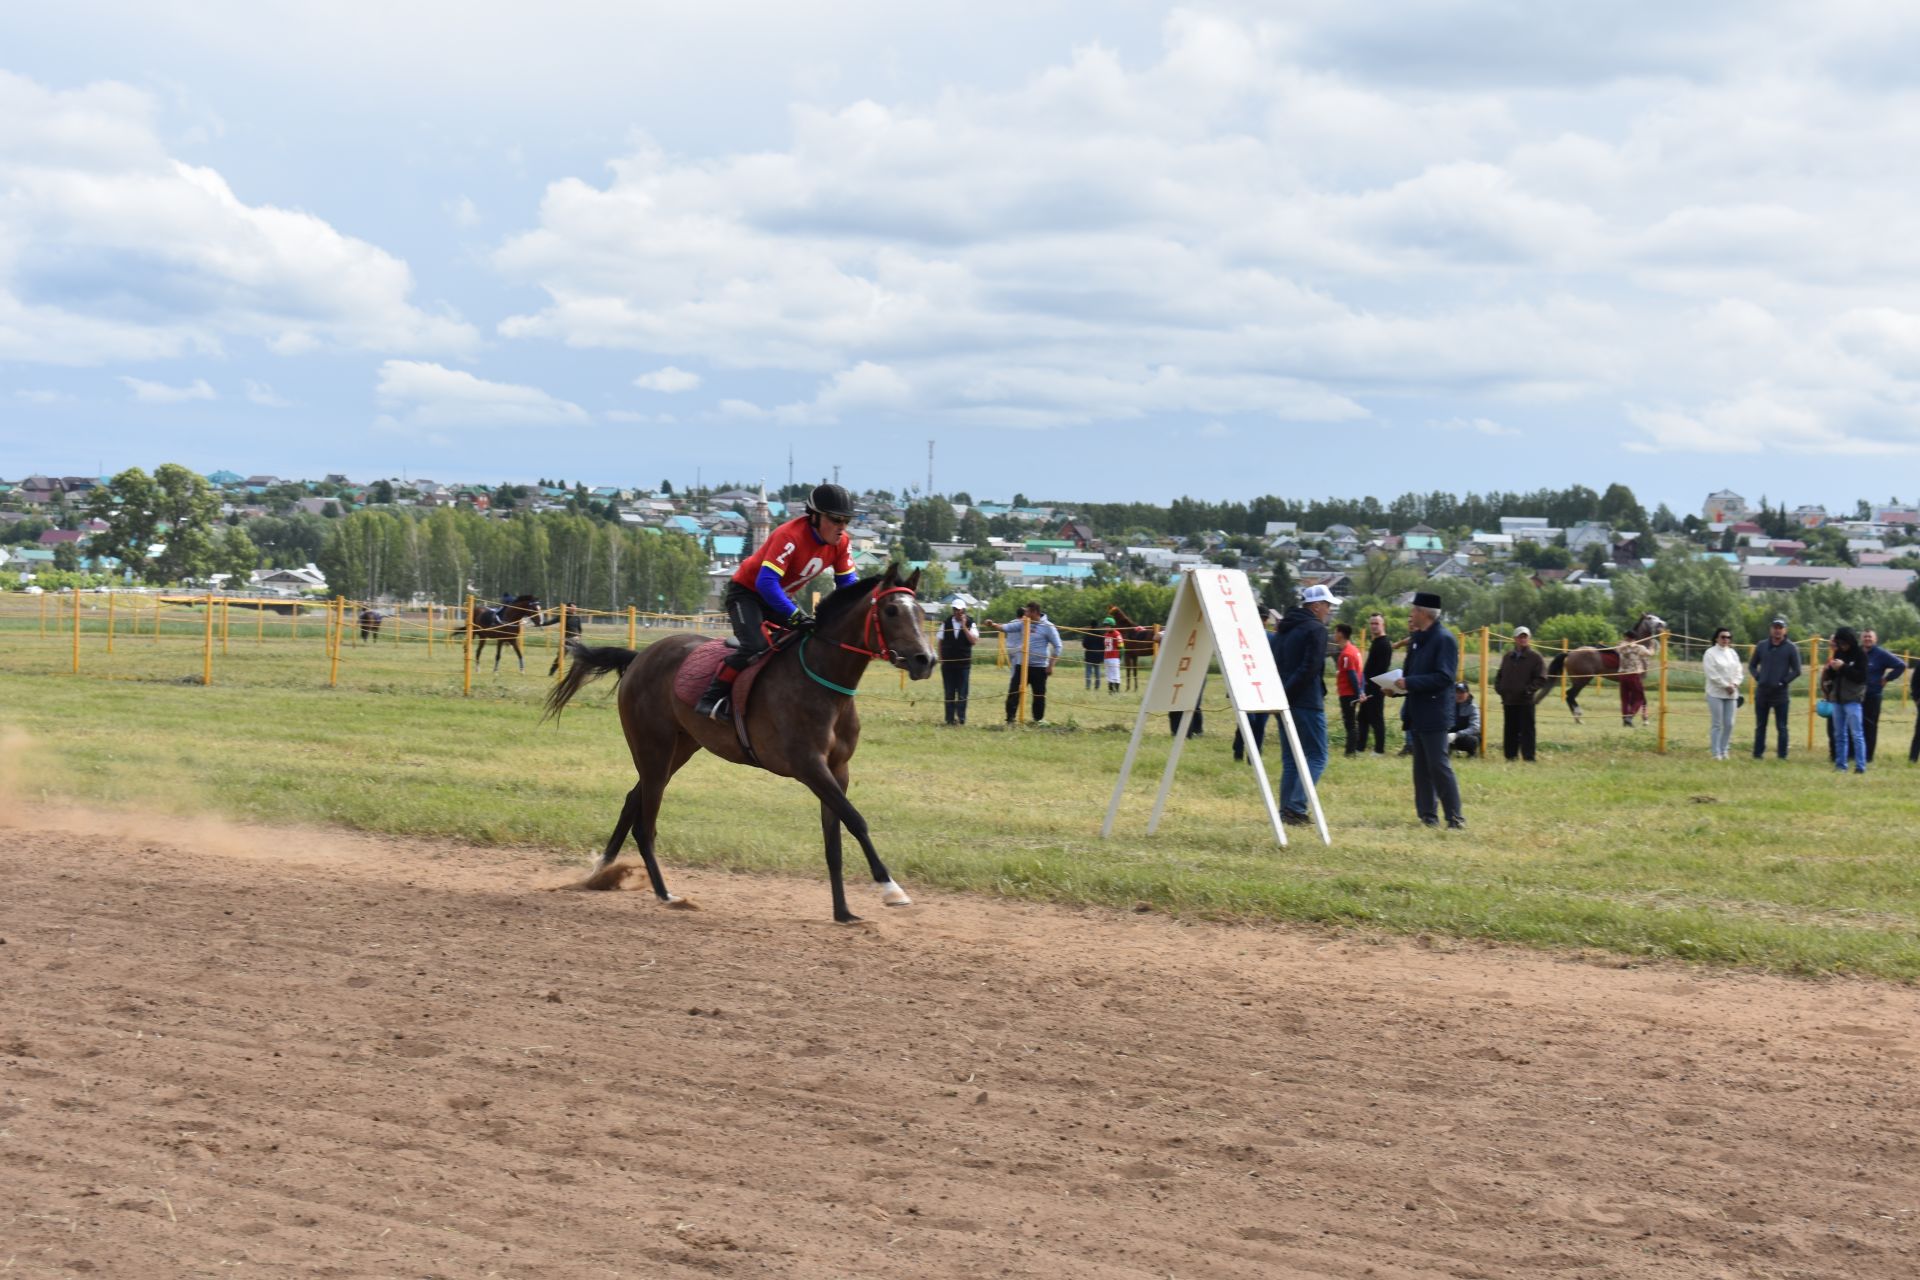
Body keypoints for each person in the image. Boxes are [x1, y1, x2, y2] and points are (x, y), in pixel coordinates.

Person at [695, 482, 857, 719]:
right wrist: (794, 615)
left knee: (808, 643)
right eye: (835, 520)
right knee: (756, 646)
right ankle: (711, 698)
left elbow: (848, 589)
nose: (841, 528)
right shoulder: (789, 535)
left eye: (846, 521)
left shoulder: (842, 543)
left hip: (778, 599)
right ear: (815, 517)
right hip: (747, 594)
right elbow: (766, 583)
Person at [1395, 591, 1463, 829]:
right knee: (1421, 768)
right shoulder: (1417, 639)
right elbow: (1409, 674)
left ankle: (1455, 818)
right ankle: (1427, 816)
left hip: (1435, 712)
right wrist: (1394, 688)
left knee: (1438, 766)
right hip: (1416, 710)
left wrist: (1410, 683)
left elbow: (1445, 677)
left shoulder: (1444, 639)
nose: (1411, 614)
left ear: (1425, 613)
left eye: (1414, 610)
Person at [1270, 583, 1336, 825]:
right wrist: (1291, 693)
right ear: (1316, 606)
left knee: (1290, 759)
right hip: (1307, 701)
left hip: (1281, 699)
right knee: (1317, 756)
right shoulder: (1316, 630)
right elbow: (1311, 667)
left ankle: (1285, 808)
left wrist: (1282, 695)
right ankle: (1296, 808)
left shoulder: (1283, 629)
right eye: (1327, 605)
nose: (1329, 610)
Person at [988, 601, 1061, 724]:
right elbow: (1006, 627)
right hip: (1021, 666)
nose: (1025, 613)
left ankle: (1038, 720)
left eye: (1027, 611)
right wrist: (993, 625)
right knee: (1013, 692)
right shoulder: (1023, 623)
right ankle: (1010, 719)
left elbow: (1058, 646)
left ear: (1034, 612)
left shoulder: (1048, 627)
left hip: (1039, 667)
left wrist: (1051, 665)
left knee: (1039, 696)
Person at [1748, 617, 1802, 759]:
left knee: (1782, 726)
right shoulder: (1761, 645)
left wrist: (1783, 682)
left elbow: (1797, 670)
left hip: (1780, 694)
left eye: (1780, 627)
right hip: (1762, 692)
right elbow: (1752, 665)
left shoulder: (1791, 648)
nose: (1777, 630)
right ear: (1771, 629)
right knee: (1760, 725)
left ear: (1785, 630)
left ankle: (1782, 755)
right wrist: (1758, 677)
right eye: (1775, 627)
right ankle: (1758, 753)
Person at [1494, 625, 1548, 761]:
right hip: (1509, 700)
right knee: (1510, 729)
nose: (1522, 639)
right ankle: (1510, 756)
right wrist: (1500, 689)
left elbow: (1541, 678)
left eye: (1525, 637)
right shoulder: (1507, 657)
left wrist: (1529, 690)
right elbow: (1499, 675)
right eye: (1520, 637)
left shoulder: (1535, 657)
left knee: (1527, 730)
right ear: (1515, 639)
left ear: (1529, 639)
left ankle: (1529, 757)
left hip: (1526, 700)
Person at [1825, 627, 1869, 774]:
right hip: (1837, 699)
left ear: (1850, 641)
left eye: (1843, 642)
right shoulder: (1838, 653)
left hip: (1853, 699)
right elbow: (1833, 675)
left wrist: (1843, 667)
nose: (1841, 645)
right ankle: (1840, 765)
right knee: (1839, 734)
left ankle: (1860, 766)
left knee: (1857, 734)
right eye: (1839, 642)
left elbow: (1861, 677)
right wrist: (1831, 668)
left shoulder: (1860, 655)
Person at [1860, 629, 1907, 764]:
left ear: (1875, 639)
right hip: (1855, 695)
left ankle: (1868, 757)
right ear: (1861, 639)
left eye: (1870, 637)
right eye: (1865, 637)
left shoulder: (1881, 654)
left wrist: (1887, 678)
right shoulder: (1857, 652)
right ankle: (1854, 754)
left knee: (1870, 726)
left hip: (1873, 695)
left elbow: (1901, 665)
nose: (1867, 639)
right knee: (1857, 725)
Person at [1702, 627, 1743, 760]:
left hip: (1732, 693)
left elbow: (1739, 671)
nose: (1726, 640)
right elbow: (1711, 674)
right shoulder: (1710, 653)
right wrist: (1726, 685)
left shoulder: (1732, 653)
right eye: (1723, 637)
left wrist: (1735, 684)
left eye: (1728, 637)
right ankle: (1716, 752)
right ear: (1716, 638)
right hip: (1715, 693)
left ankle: (1724, 749)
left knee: (1729, 723)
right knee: (1717, 723)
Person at [1356, 612, 1393, 754]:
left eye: (1376, 623)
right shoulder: (1376, 642)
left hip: (1376, 688)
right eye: (1371, 623)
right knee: (1363, 718)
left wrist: (1371, 689)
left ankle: (1379, 750)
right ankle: (1360, 747)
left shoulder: (1384, 644)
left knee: (1376, 718)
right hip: (1367, 686)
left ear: (1383, 625)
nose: (1373, 626)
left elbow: (1381, 670)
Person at [937, 601, 979, 725]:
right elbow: (940, 641)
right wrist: (941, 659)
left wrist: (964, 626)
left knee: (962, 693)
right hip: (948, 665)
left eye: (959, 610)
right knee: (949, 692)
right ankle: (949, 719)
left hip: (963, 665)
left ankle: (961, 719)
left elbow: (973, 641)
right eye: (955, 609)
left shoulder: (971, 622)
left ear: (963, 610)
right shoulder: (946, 622)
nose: (957, 612)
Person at [1333, 622, 1365, 755]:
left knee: (1350, 722)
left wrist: (1358, 693)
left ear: (1340, 634)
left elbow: (1352, 675)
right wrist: (1361, 691)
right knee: (1351, 721)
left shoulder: (1347, 653)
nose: (1334, 635)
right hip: (1353, 692)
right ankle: (1352, 750)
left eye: (1335, 632)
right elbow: (1361, 673)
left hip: (1348, 693)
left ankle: (1350, 752)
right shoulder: (1355, 650)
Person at [533, 600, 584, 676]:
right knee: (560, 657)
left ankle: (575, 673)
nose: (575, 609)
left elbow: (580, 629)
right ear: (568, 608)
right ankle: (552, 672)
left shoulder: (577, 617)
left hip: (576, 640)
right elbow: (551, 622)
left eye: (575, 607)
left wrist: (579, 636)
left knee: (579, 657)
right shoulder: (563, 616)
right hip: (566, 640)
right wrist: (540, 624)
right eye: (573, 607)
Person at [1617, 629, 1655, 727]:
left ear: (1626, 637)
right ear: (1635, 638)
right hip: (1633, 675)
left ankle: (1625, 718)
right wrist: (1652, 645)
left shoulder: (1620, 647)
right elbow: (1650, 653)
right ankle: (1630, 716)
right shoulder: (1639, 648)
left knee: (1624, 698)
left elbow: (1620, 646)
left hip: (1622, 675)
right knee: (1639, 698)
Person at [1447, 682, 1480, 755]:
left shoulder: (1472, 707)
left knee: (1472, 741)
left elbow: (1475, 728)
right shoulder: (1448, 705)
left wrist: (1456, 735)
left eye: (1462, 692)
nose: (1459, 695)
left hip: (1465, 736)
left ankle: (1472, 753)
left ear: (1468, 693)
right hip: (1450, 735)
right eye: (1457, 692)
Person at [1101, 616, 1124, 693]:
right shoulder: (1106, 634)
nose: (1106, 627)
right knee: (1109, 675)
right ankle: (1110, 691)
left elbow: (1121, 645)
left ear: (1112, 625)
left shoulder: (1117, 634)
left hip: (1114, 657)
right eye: (1105, 625)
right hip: (1107, 657)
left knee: (1115, 674)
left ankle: (1116, 691)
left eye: (1107, 625)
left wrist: (1119, 655)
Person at [1079, 618, 1103, 690]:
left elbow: (1084, 644)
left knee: (1088, 672)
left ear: (1091, 625)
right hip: (1098, 655)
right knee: (1097, 672)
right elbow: (1103, 645)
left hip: (1089, 655)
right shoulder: (1100, 634)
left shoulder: (1088, 634)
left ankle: (1088, 686)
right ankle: (1097, 686)